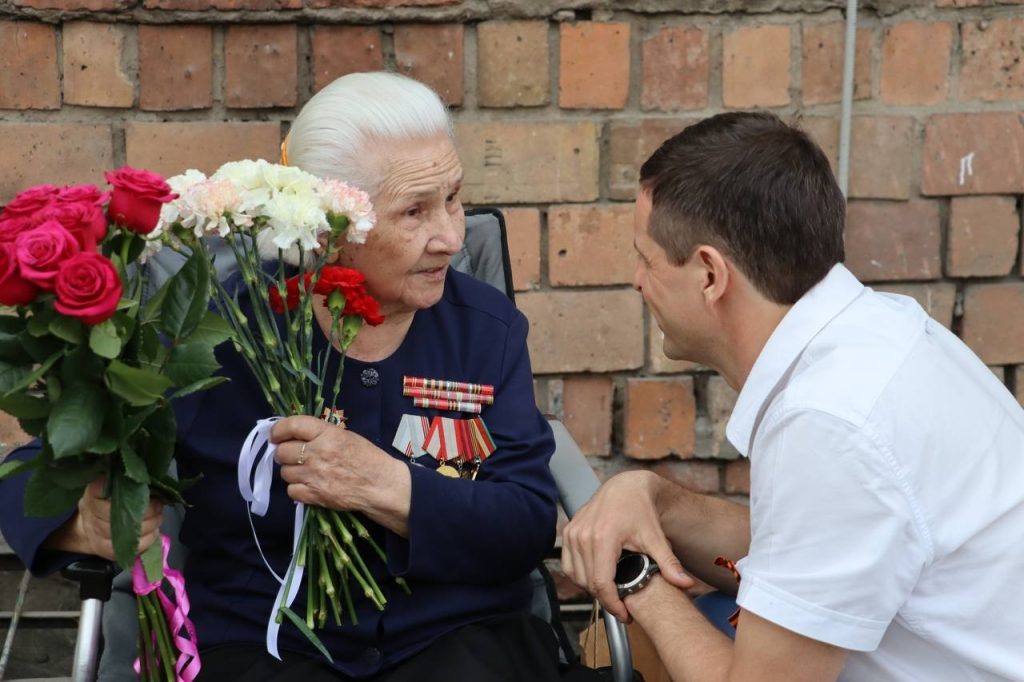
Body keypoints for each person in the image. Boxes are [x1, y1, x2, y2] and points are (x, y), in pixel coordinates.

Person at [0, 72, 563, 682]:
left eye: (453, 199)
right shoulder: (217, 335)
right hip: (264, 644)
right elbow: (35, 471)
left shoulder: (486, 330)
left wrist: (391, 487)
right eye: (414, 212)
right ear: (328, 226)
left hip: (456, 637)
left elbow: (526, 520)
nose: (451, 237)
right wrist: (82, 524)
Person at [560, 111, 1024, 681]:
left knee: (637, 641)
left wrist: (636, 577)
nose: (636, 280)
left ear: (709, 274)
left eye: (646, 258)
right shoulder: (882, 332)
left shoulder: (830, 425)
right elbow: (807, 554)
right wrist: (652, 497)